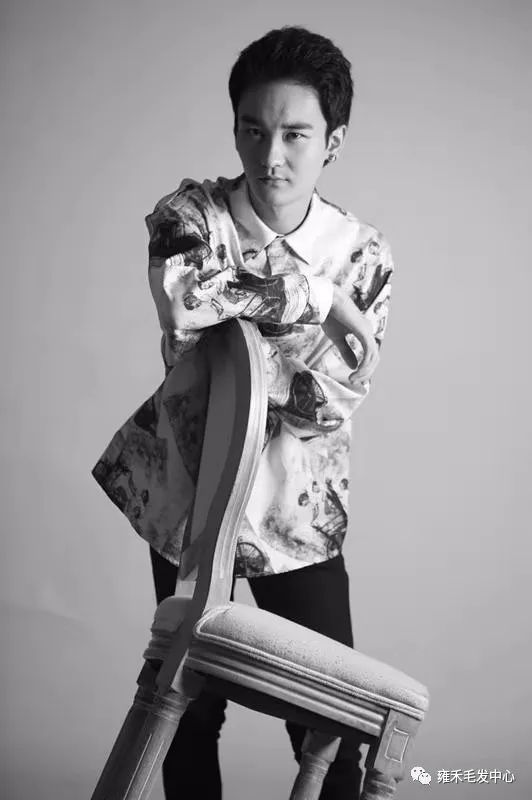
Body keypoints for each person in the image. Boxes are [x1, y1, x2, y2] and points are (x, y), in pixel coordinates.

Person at [92, 25, 394, 800]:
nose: (271, 155)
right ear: (234, 129)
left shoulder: (363, 255)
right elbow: (186, 299)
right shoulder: (191, 215)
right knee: (185, 710)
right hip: (189, 501)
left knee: (334, 726)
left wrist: (236, 335)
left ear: (332, 141)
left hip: (297, 512)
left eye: (295, 135)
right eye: (253, 131)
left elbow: (331, 402)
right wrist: (316, 300)